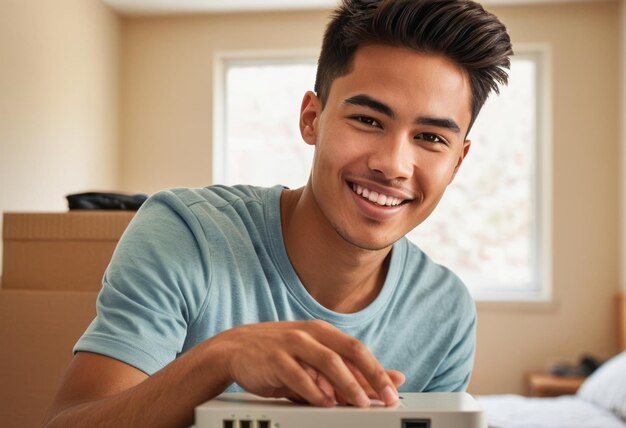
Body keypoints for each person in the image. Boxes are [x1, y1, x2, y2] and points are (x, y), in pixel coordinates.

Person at [43, 0, 512, 426]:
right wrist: (221, 358)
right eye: (368, 120)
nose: (392, 164)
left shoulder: (445, 311)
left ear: (458, 161)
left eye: (430, 138)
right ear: (312, 118)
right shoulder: (185, 232)